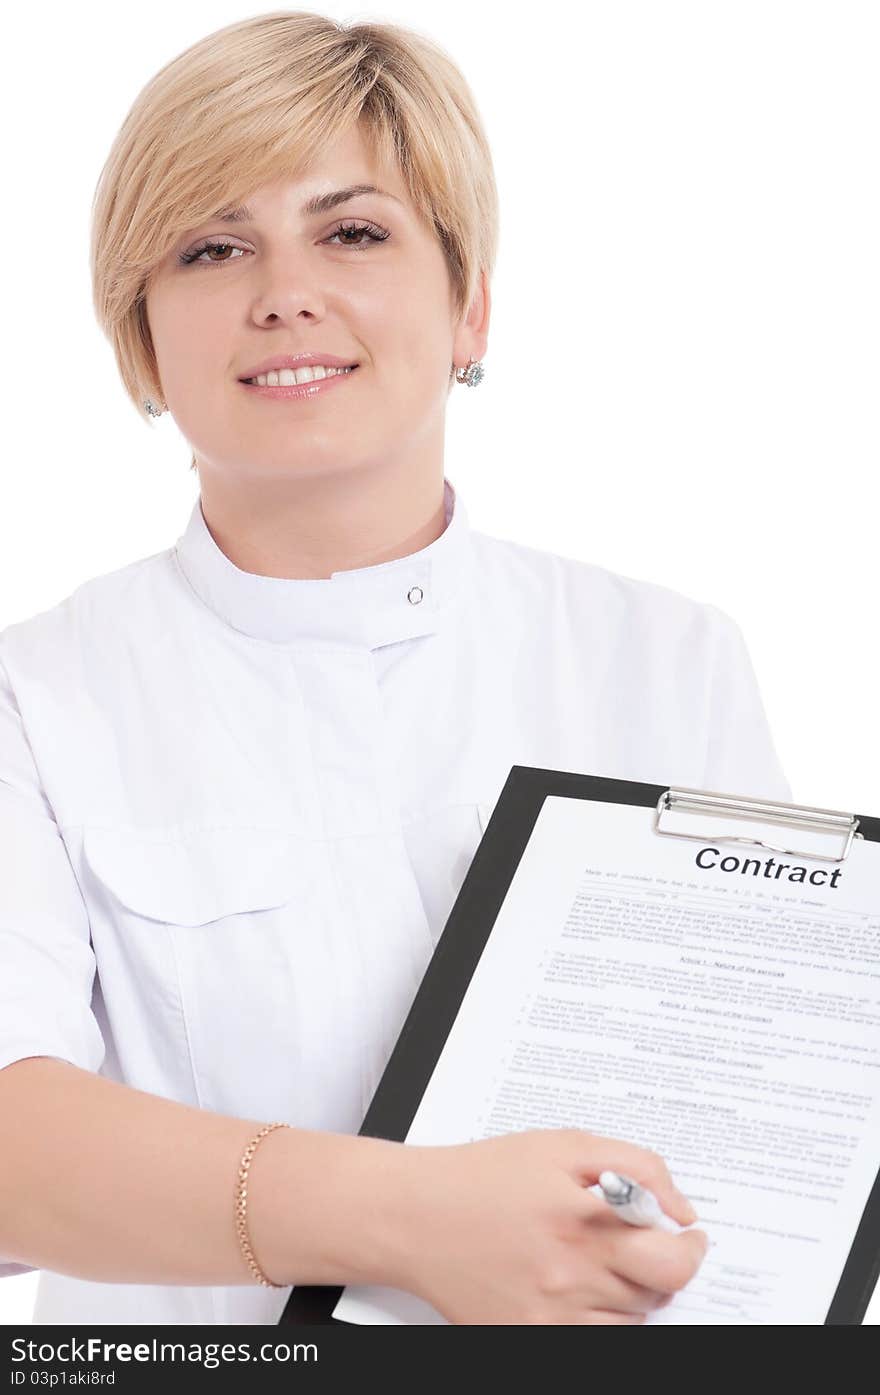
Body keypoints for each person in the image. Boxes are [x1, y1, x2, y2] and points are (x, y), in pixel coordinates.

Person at [0, 12, 789, 1326]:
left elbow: (759, 1127)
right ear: (140, 340)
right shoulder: (35, 700)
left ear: (469, 302)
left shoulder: (673, 664)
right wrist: (421, 1224)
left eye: (352, 231)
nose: (282, 292)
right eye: (212, 247)